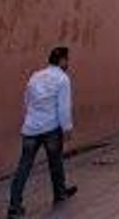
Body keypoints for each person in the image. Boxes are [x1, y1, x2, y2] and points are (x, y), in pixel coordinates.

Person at [8, 46, 78, 218]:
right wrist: (67, 127)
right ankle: (59, 192)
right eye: (67, 59)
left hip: (31, 127)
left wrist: (31, 118)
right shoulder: (62, 79)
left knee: (24, 166)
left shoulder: (36, 76)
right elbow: (63, 107)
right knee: (55, 162)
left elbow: (27, 99)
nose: (68, 63)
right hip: (51, 128)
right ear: (62, 60)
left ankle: (14, 205)